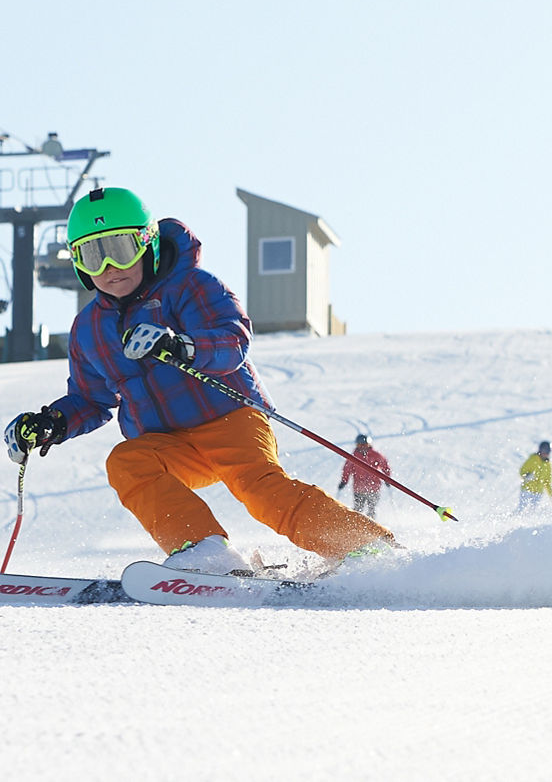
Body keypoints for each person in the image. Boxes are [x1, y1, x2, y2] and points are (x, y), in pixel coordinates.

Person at [3, 186, 398, 575]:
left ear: (148, 244)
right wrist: (53, 423)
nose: (108, 269)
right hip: (169, 443)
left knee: (261, 492)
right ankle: (205, 550)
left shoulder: (191, 286)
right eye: (92, 256)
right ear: (77, 263)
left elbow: (233, 341)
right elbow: (91, 399)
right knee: (126, 462)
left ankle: (365, 548)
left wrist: (182, 347)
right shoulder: (88, 328)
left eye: (120, 251)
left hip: (230, 418)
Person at [338, 433, 391, 518]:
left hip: (374, 487)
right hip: (359, 488)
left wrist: (387, 478)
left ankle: (371, 524)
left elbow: (385, 465)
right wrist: (344, 481)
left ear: (369, 445)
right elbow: (347, 469)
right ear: (357, 445)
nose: (363, 447)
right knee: (358, 508)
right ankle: (356, 524)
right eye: (360, 445)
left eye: (365, 445)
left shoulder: (376, 455)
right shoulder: (354, 456)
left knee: (371, 508)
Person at [517, 440, 552, 511]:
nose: (546, 453)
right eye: (544, 450)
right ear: (540, 450)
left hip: (538, 492)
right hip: (527, 489)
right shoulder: (533, 459)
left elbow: (547, 482)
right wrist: (527, 476)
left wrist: (551, 494)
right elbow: (522, 471)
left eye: (548, 451)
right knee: (522, 508)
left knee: (532, 510)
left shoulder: (548, 465)